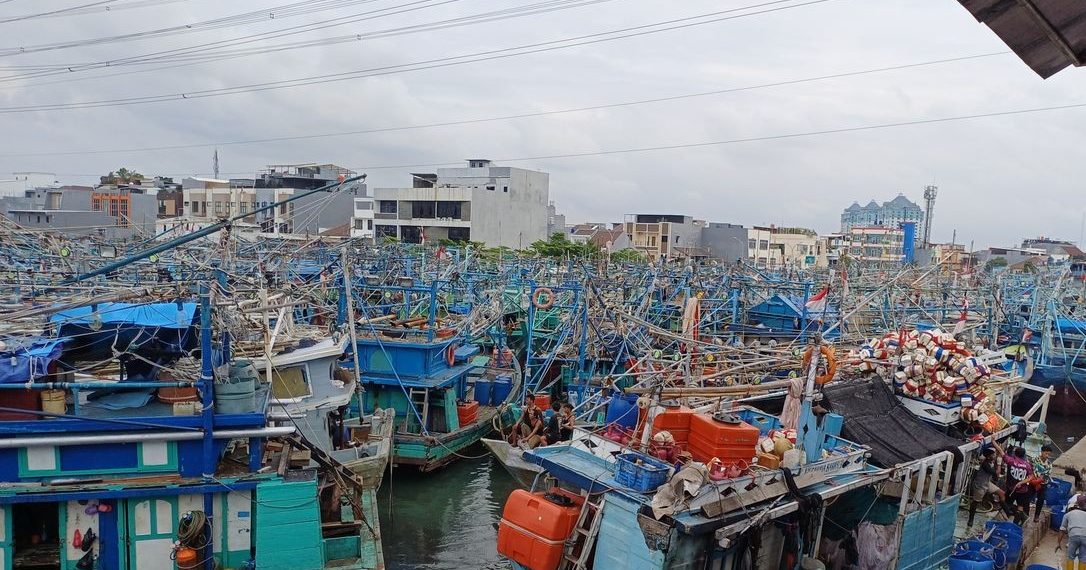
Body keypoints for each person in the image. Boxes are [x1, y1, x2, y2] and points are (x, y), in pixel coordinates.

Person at [968, 447, 1005, 527]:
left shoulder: (991, 462)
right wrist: (999, 463)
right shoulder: (985, 464)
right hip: (980, 484)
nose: (994, 456)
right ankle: (971, 519)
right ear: (988, 457)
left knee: (1002, 493)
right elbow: (997, 474)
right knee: (975, 502)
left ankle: (1006, 511)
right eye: (993, 455)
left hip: (987, 483)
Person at [1003, 445, 1035, 525]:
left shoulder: (1011, 461)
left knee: (1006, 504)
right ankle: (1016, 523)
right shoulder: (1027, 465)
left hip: (1011, 489)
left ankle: (1010, 519)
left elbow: (1001, 452)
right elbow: (1031, 477)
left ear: (1015, 454)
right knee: (1020, 507)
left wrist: (993, 441)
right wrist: (1022, 482)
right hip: (1023, 490)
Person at [1058, 495, 1086, 565]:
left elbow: (1062, 530)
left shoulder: (1067, 514)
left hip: (1074, 536)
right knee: (1083, 558)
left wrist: (1058, 543)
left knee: (1070, 557)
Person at [1032, 444, 1054, 522]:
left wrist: (1041, 477)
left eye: (1049, 454)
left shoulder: (1049, 464)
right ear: (1042, 452)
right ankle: (1025, 514)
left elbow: (1047, 474)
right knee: (1028, 498)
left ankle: (1036, 515)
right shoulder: (1035, 460)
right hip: (1033, 482)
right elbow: (1033, 471)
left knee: (1041, 499)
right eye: (1046, 453)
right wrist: (1038, 477)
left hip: (1043, 484)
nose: (1047, 456)